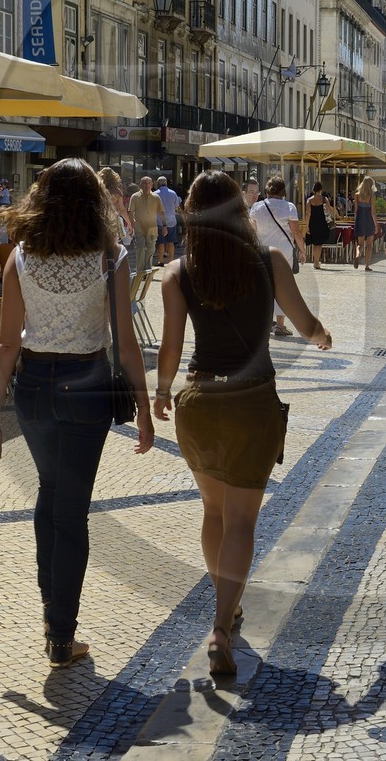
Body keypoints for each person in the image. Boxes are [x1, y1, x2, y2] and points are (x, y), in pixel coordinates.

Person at [150, 171, 332, 678]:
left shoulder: (177, 272)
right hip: (252, 401)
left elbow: (170, 348)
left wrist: (162, 393)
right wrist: (322, 336)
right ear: (239, 210)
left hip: (199, 400)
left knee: (213, 510)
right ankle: (221, 626)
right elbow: (303, 323)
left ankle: (226, 609)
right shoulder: (269, 261)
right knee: (243, 521)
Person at [0, 158, 154, 667]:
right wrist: (142, 407)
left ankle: (53, 620)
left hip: (32, 386)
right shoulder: (109, 257)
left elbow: (7, 343)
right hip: (88, 387)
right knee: (70, 510)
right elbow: (125, 346)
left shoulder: (21, 256)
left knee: (51, 494)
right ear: (93, 200)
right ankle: (60, 634)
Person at [248, 176, 302, 338]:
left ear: (267, 190)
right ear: (283, 191)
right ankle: (280, 325)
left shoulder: (257, 207)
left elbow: (252, 230)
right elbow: (296, 231)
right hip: (284, 252)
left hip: (262, 251)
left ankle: (261, 322)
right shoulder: (289, 207)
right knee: (282, 287)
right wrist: (303, 250)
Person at [129, 177, 163, 272]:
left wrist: (164, 226)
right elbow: (131, 212)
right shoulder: (135, 197)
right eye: (144, 183)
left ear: (152, 185)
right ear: (140, 184)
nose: (146, 185)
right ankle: (140, 271)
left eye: (148, 183)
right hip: (139, 227)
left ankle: (147, 270)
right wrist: (131, 223)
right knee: (140, 249)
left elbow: (161, 212)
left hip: (152, 228)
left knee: (150, 249)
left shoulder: (156, 197)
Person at [98, 166, 133, 246]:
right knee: (114, 245)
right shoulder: (117, 191)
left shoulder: (98, 190)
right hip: (113, 221)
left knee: (101, 247)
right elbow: (122, 209)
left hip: (100, 219)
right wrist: (129, 223)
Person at [155, 176, 183, 265]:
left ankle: (161, 260)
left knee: (161, 241)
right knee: (171, 241)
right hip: (171, 220)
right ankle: (171, 260)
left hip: (159, 220)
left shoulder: (155, 194)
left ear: (158, 184)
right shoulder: (173, 193)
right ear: (166, 183)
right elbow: (176, 206)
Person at [352, 177, 377, 269]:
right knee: (369, 244)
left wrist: (356, 221)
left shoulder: (357, 195)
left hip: (359, 219)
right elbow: (373, 212)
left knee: (360, 244)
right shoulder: (372, 196)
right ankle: (367, 265)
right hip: (369, 220)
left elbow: (356, 210)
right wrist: (376, 225)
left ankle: (358, 255)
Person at [304, 183, 330, 269]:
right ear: (321, 189)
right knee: (319, 243)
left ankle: (315, 261)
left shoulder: (309, 200)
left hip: (313, 223)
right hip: (322, 222)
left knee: (315, 243)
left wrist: (307, 225)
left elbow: (308, 214)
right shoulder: (324, 199)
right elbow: (329, 211)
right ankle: (316, 261)